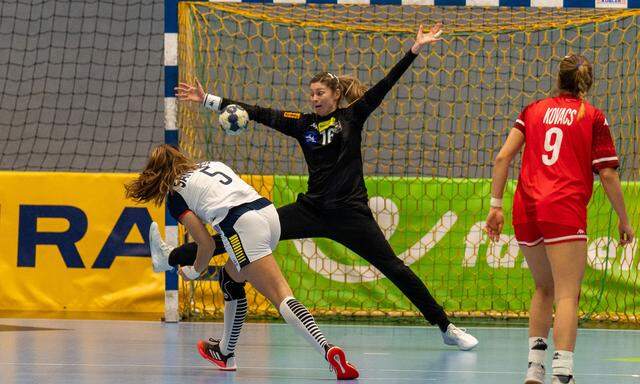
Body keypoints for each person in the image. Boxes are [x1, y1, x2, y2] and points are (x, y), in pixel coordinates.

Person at [165, 22, 478, 351]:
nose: (314, 98)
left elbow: (386, 84)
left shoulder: (353, 116)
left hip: (351, 215)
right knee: (228, 239)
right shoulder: (302, 125)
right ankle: (170, 258)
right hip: (311, 209)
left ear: (335, 96)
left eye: (320, 93)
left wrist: (414, 49)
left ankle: (446, 326)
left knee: (394, 268)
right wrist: (207, 99)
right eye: (311, 93)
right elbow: (257, 113)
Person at [125, 144, 359, 380]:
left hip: (241, 225)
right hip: (269, 215)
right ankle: (226, 352)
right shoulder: (211, 165)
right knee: (231, 280)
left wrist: (194, 272)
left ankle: (328, 350)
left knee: (281, 296)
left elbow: (205, 245)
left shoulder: (175, 195)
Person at [485, 54, 634, 384]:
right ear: (587, 83)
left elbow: (502, 157)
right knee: (568, 293)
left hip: (526, 208)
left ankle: (534, 369)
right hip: (563, 207)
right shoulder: (592, 116)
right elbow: (607, 173)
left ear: (559, 79)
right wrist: (624, 219)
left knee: (543, 288)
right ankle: (562, 373)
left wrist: (495, 206)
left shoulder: (532, 110)